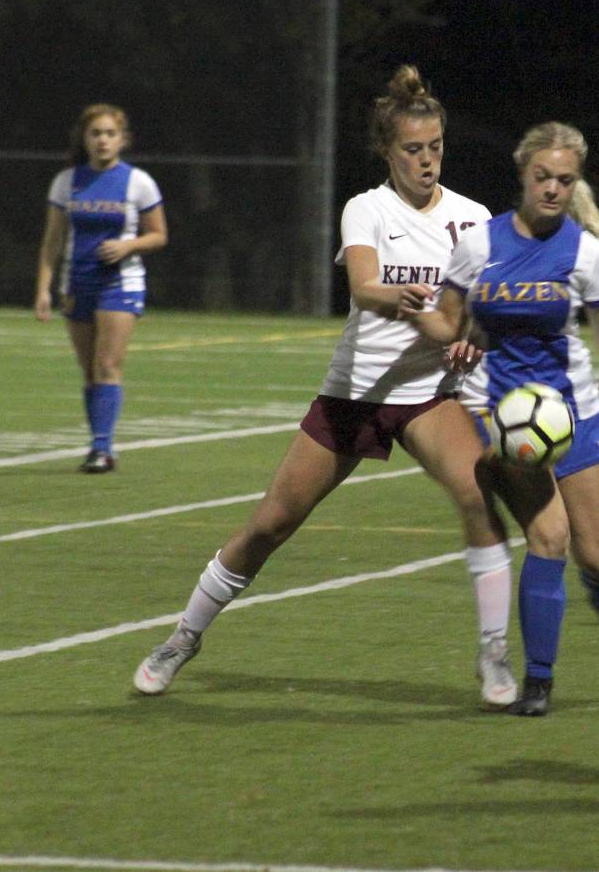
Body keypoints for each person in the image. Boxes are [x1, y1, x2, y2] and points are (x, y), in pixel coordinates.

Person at [134, 66, 519, 705]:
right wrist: (407, 301)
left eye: (436, 148)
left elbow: (477, 310)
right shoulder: (366, 208)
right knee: (270, 525)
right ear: (387, 152)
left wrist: (466, 331)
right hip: (354, 396)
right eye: (412, 150)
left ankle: (494, 653)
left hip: (426, 396)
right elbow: (365, 288)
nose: (426, 162)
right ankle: (182, 637)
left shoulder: (473, 220)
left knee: (480, 499)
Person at [400, 121, 599, 717]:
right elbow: (450, 326)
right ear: (523, 175)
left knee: (598, 557)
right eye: (543, 177)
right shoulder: (480, 246)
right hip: (503, 415)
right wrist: (419, 316)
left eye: (565, 180)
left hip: (575, 413)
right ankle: (539, 680)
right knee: (549, 536)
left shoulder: (586, 253)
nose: (553, 189)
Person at [34, 104, 168, 473]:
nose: (103, 140)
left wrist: (128, 245)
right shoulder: (66, 181)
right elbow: (53, 240)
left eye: (110, 133)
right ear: (85, 139)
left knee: (107, 363)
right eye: (96, 134)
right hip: (77, 282)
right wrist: (44, 290)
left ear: (122, 140)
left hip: (119, 282)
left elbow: (159, 235)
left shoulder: (137, 181)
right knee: (88, 369)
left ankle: (102, 449)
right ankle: (98, 445)